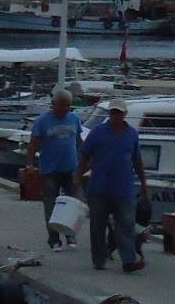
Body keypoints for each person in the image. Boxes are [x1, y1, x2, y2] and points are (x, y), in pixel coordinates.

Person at [77, 98, 149, 272]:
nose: (115, 116)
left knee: (126, 224)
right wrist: (77, 177)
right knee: (98, 226)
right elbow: (84, 155)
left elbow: (137, 160)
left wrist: (143, 182)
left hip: (124, 188)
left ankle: (128, 261)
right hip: (99, 187)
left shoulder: (132, 134)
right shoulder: (97, 132)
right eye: (113, 112)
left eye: (119, 113)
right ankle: (99, 260)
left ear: (125, 114)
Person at [25, 87, 83, 250]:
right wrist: (29, 164)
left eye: (68, 105)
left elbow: (78, 141)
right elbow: (33, 144)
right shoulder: (42, 121)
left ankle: (70, 235)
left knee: (73, 204)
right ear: (54, 104)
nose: (65, 108)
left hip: (71, 168)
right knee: (51, 205)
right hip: (50, 170)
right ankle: (54, 239)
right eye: (62, 105)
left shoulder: (74, 119)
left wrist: (85, 161)